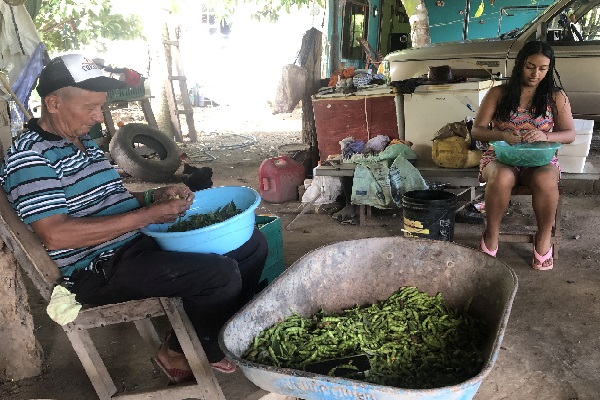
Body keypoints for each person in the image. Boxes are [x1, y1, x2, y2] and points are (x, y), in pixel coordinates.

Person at [0, 54, 268, 381]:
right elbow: (55, 234)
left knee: (251, 246)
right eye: (90, 108)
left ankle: (199, 340)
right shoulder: (29, 158)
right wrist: (146, 216)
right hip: (96, 269)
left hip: (134, 246)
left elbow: (112, 200)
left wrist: (153, 197)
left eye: (100, 106)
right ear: (53, 103)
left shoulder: (81, 141)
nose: (99, 116)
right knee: (220, 275)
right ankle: (190, 351)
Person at [471, 41, 575, 270]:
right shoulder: (499, 93)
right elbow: (477, 130)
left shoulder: (556, 96)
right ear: (520, 64)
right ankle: (491, 235)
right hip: (500, 156)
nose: (535, 73)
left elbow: (569, 134)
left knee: (546, 179)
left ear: (549, 69)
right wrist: (502, 134)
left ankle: (544, 238)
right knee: (502, 177)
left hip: (540, 159)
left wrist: (544, 136)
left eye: (542, 68)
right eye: (530, 66)